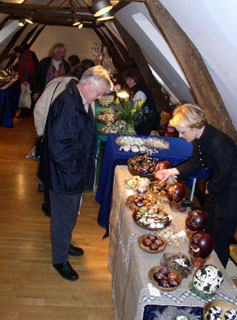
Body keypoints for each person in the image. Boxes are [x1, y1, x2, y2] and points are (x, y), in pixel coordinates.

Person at [39, 66, 112, 281]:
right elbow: (59, 148)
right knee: (63, 216)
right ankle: (59, 259)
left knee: (70, 214)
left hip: (73, 172)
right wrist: (75, 172)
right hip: (65, 174)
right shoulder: (67, 104)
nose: (99, 98)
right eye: (98, 93)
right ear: (87, 83)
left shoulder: (81, 100)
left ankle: (65, 243)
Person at [154, 103, 237, 268]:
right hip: (219, 188)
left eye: (182, 131)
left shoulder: (218, 142)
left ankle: (215, 273)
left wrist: (211, 187)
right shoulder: (201, 138)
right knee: (209, 232)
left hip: (232, 195)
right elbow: (196, 163)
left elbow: (226, 174)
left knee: (220, 238)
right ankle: (205, 264)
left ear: (194, 126)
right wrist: (171, 171)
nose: (180, 135)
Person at [33, 65, 88, 214]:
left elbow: (38, 108)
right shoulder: (74, 92)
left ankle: (47, 202)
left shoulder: (54, 81)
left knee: (47, 167)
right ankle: (55, 209)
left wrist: (41, 132)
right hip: (58, 135)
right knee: (55, 173)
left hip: (47, 132)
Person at [122, 67, 160, 135]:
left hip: (147, 121)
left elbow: (135, 110)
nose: (127, 82)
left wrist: (124, 117)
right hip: (145, 118)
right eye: (126, 80)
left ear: (135, 79)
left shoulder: (139, 92)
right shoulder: (138, 86)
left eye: (129, 80)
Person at [14, 45, 36, 118]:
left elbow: (26, 69)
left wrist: (25, 80)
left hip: (26, 80)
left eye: (15, 53)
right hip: (29, 79)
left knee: (25, 96)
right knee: (28, 95)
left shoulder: (23, 58)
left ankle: (24, 113)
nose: (15, 55)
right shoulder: (27, 55)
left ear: (18, 52)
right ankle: (28, 111)